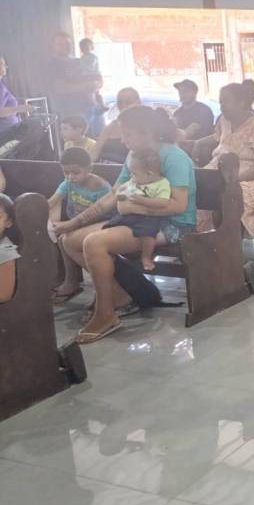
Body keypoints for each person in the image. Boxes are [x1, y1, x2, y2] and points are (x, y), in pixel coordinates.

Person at [53, 106, 196, 344]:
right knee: (70, 240)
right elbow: (113, 195)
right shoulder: (133, 155)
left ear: (146, 132)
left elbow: (179, 206)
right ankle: (118, 296)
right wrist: (73, 223)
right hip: (136, 218)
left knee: (94, 242)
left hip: (172, 224)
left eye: (127, 134)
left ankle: (105, 314)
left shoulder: (174, 157)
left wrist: (135, 208)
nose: (122, 139)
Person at [203, 83, 254, 239]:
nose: (222, 106)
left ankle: (229, 240)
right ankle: (206, 238)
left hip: (253, 176)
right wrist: (197, 143)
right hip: (221, 171)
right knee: (200, 189)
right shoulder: (223, 121)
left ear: (241, 102)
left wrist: (235, 180)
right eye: (220, 102)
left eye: (226, 101)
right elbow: (218, 139)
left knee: (231, 194)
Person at [48, 147, 111, 303]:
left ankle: (101, 286)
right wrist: (39, 209)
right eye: (66, 172)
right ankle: (71, 281)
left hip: (100, 224)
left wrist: (69, 225)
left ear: (89, 169)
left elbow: (100, 213)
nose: (70, 177)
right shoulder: (68, 183)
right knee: (60, 238)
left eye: (76, 172)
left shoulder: (100, 187)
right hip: (76, 224)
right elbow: (53, 200)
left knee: (65, 239)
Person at [105, 147, 170, 271]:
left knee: (149, 235)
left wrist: (143, 200)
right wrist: (120, 195)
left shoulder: (162, 184)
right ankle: (117, 257)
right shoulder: (134, 180)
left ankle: (146, 257)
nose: (131, 176)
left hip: (148, 217)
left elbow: (163, 202)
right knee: (109, 225)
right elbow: (121, 189)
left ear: (149, 174)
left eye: (134, 173)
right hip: (129, 215)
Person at [47, 33, 102, 121]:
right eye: (60, 44)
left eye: (67, 43)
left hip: (94, 106)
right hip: (72, 111)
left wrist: (98, 83)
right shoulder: (53, 64)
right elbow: (60, 88)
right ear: (53, 46)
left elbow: (97, 77)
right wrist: (86, 85)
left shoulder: (80, 61)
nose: (65, 46)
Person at [92, 87, 142, 163]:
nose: (123, 105)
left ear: (138, 103)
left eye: (128, 102)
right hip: (103, 166)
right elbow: (95, 151)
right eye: (120, 102)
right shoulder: (111, 126)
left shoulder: (145, 127)